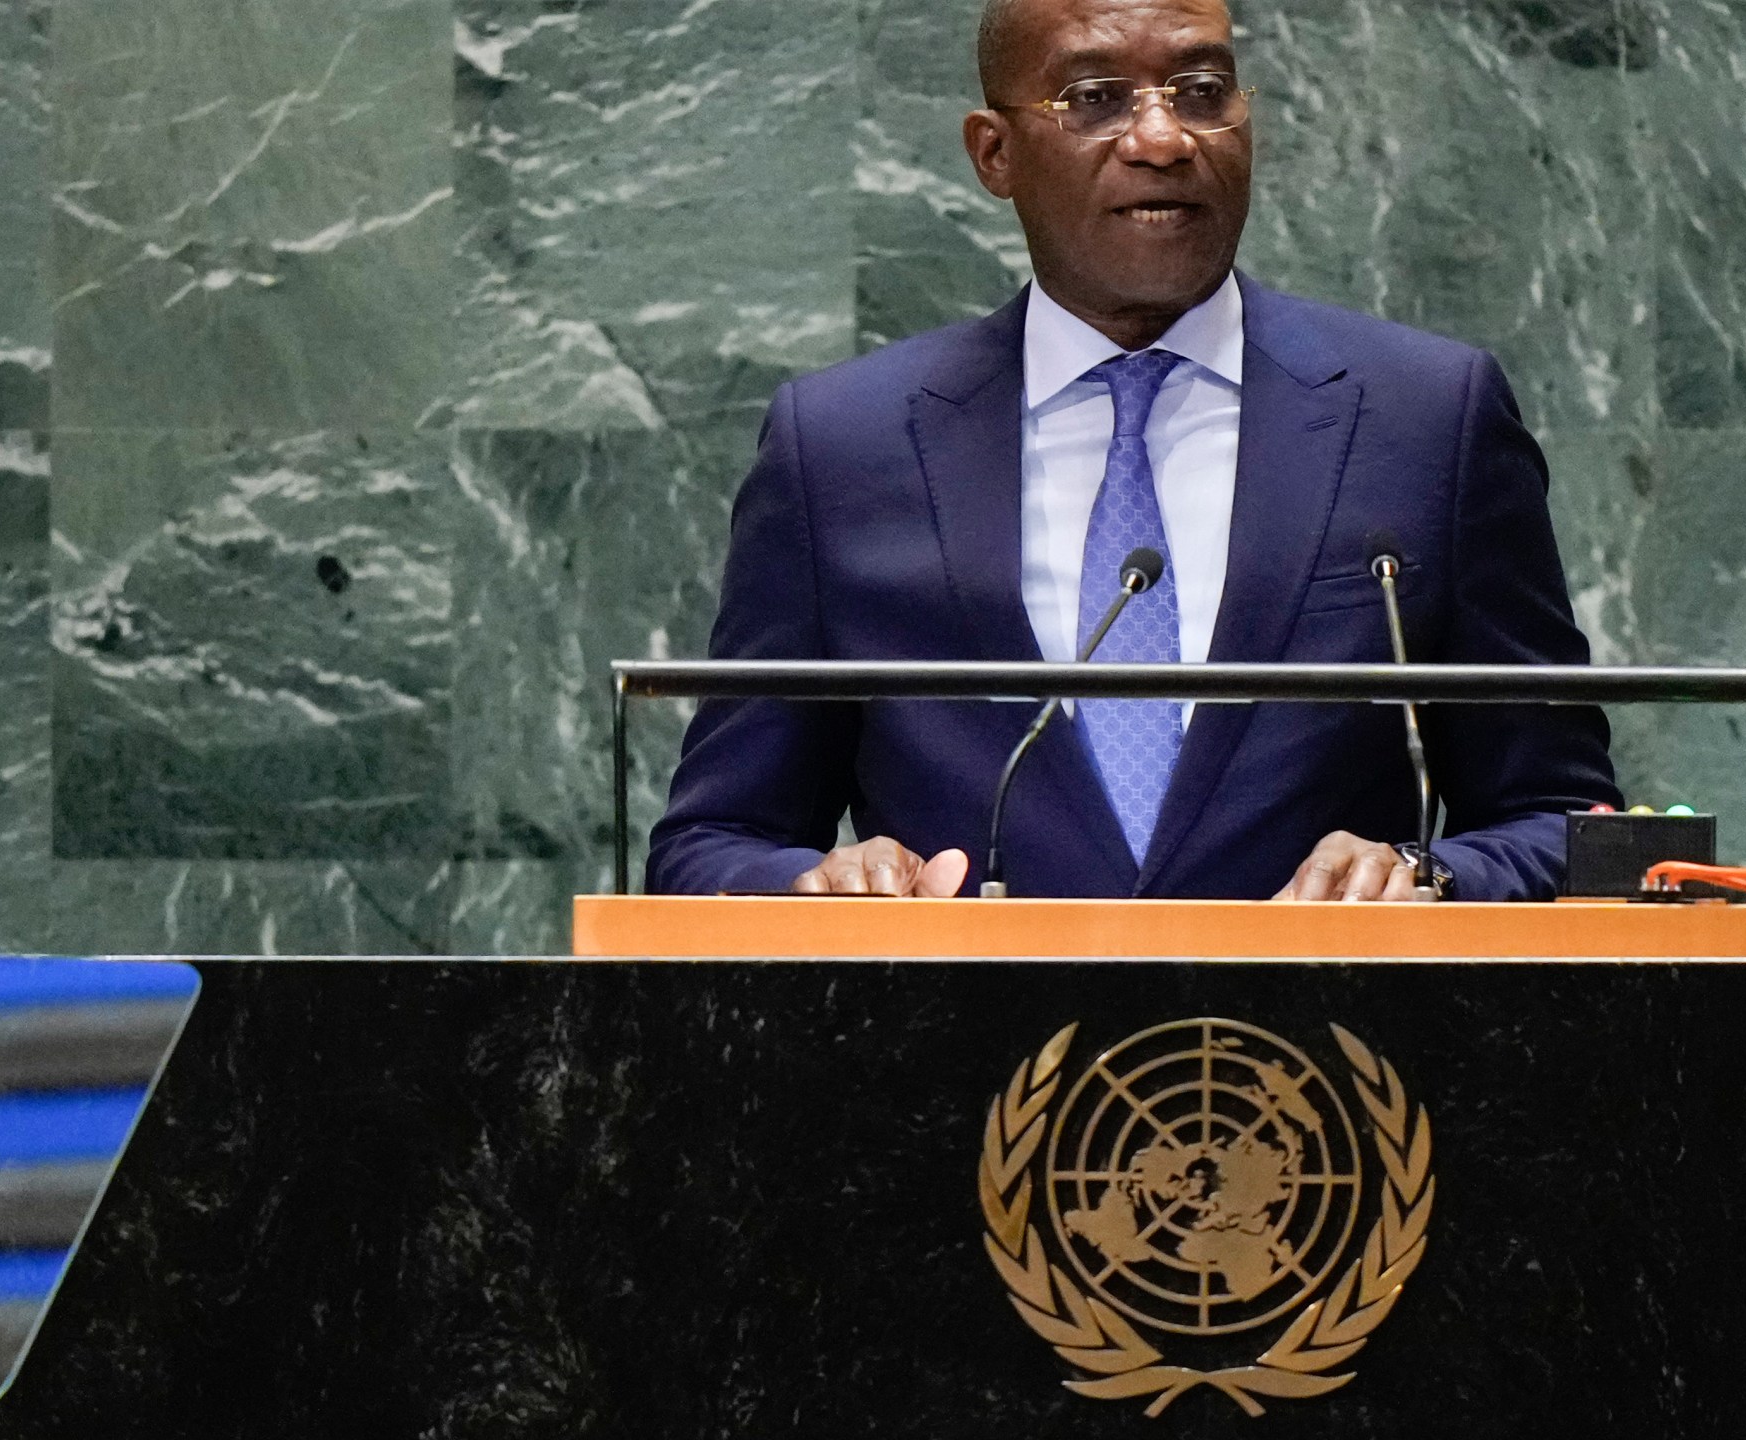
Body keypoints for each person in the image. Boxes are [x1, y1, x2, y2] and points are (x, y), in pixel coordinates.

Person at [645, 0, 1619, 903]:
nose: (1162, 139)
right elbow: (713, 841)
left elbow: (1573, 827)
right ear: (995, 154)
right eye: (1095, 98)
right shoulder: (842, 447)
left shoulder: (1425, 418)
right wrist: (823, 887)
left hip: (1324, 1070)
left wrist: (1421, 874)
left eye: (1201, 93)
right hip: (964, 1071)